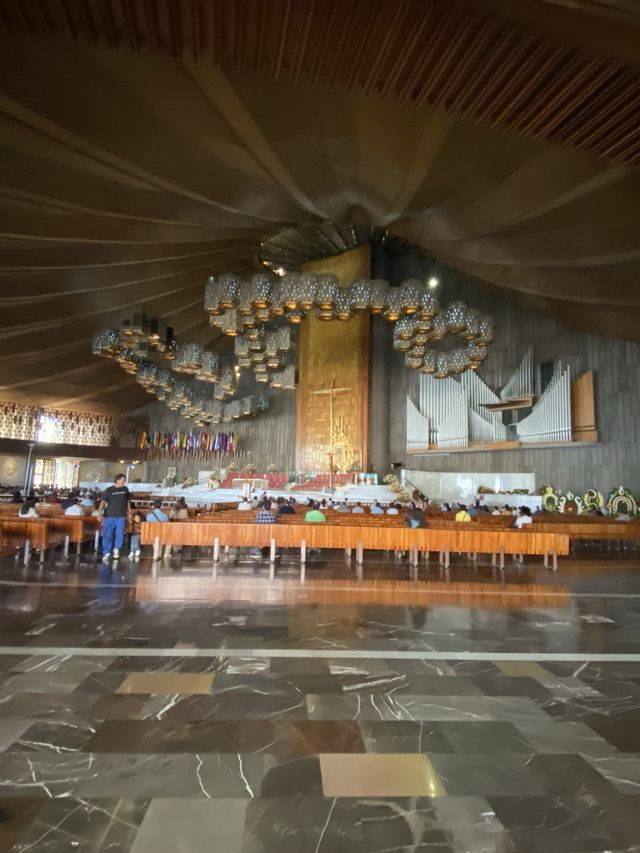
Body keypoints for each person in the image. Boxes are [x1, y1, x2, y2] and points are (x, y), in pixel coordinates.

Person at [99, 474, 131, 560]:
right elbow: (102, 502)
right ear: (117, 480)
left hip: (121, 515)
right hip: (109, 515)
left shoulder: (125, 489)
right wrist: (99, 514)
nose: (124, 482)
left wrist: (129, 513)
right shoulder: (109, 490)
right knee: (107, 534)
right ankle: (106, 552)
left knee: (120, 533)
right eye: (123, 480)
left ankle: (116, 548)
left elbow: (127, 502)